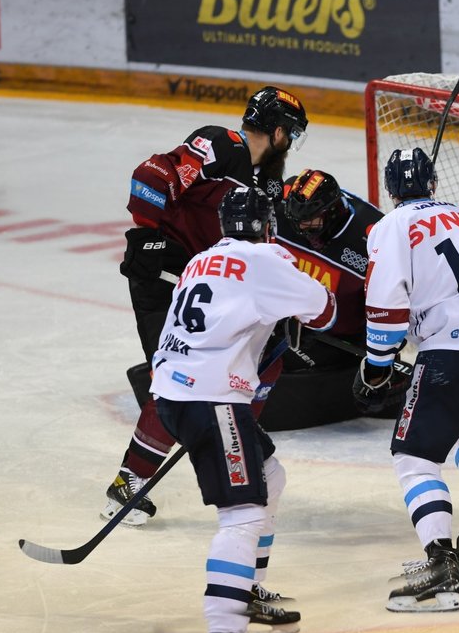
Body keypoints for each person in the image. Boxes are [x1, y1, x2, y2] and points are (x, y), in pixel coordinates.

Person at [103, 85, 308, 534]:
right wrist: (147, 233)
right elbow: (152, 173)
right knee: (178, 379)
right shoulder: (221, 145)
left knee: (261, 364)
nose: (289, 147)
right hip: (169, 281)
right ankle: (129, 481)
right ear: (277, 133)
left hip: (211, 290)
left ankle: (238, 447)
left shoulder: (264, 186)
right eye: (290, 136)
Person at [150, 186, 336, 633]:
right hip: (212, 397)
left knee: (269, 477)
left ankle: (244, 590)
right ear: (267, 224)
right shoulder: (265, 258)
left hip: (174, 392)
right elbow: (320, 305)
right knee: (242, 515)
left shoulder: (201, 260)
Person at [353, 147, 459, 613]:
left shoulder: (390, 226)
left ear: (390, 191)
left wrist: (377, 363)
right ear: (433, 184)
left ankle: (442, 568)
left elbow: (386, 302)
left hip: (454, 351)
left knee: (413, 458)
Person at [257, 168, 408, 431]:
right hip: (283, 321)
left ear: (332, 212)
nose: (302, 231)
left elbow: (400, 301)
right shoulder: (280, 205)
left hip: (341, 343)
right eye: (297, 224)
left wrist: (383, 348)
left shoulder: (376, 235)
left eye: (311, 224)